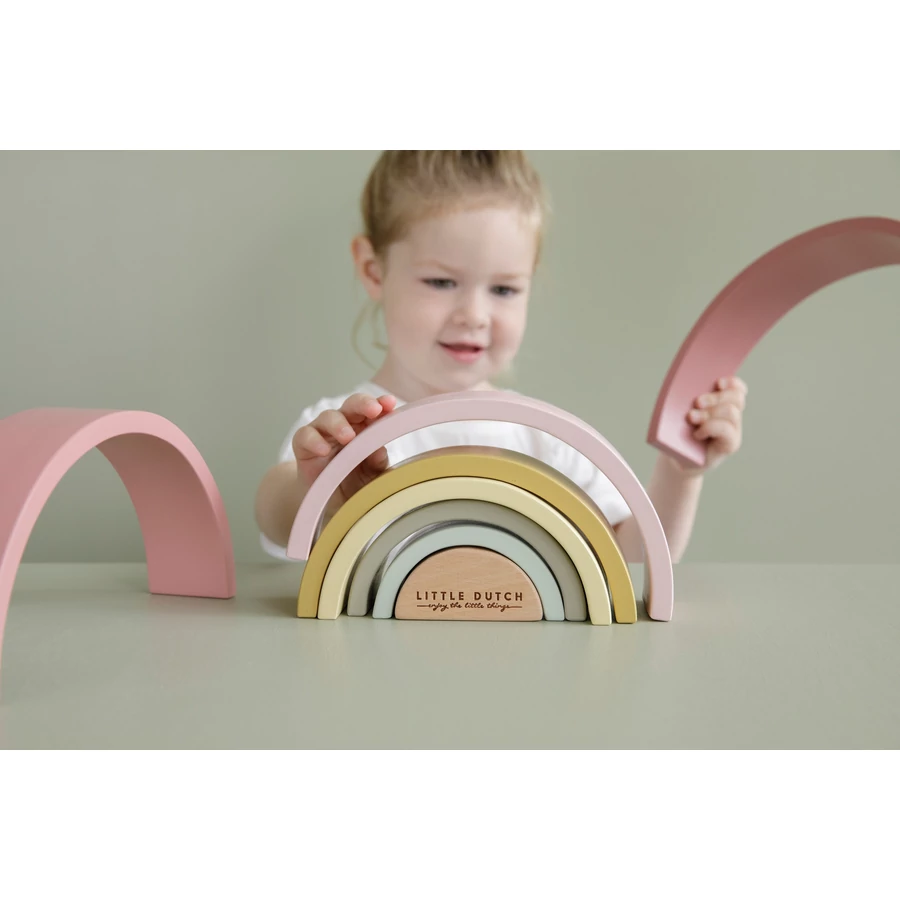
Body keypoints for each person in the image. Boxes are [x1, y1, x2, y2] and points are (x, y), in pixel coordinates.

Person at [254, 151, 747, 564]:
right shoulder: (340, 433)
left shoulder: (544, 439)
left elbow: (632, 561)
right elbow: (275, 520)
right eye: (441, 282)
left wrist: (680, 473)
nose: (474, 315)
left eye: (504, 289)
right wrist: (317, 487)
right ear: (373, 270)